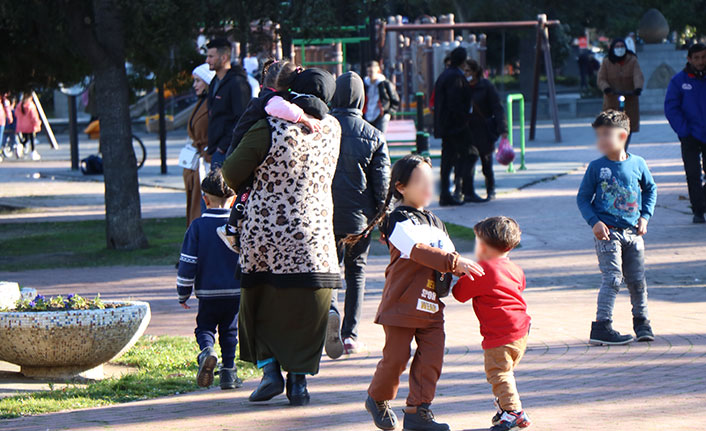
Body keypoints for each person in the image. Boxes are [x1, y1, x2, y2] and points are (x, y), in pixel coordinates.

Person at [221, 68, 341, 407]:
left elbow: (231, 172)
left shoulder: (269, 126)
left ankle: (270, 371)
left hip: (266, 236)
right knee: (305, 308)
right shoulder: (333, 129)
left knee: (259, 303)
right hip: (316, 237)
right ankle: (299, 384)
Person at [353, 154, 484, 431]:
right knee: (397, 358)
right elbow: (417, 251)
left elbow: (450, 256)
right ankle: (377, 398)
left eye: (431, 181)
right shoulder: (396, 220)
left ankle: (417, 411)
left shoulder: (436, 221)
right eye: (420, 182)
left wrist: (463, 271)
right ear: (400, 187)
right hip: (402, 304)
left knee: (432, 359)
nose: (428, 187)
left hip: (432, 306)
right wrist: (453, 262)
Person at [216, 60, 324, 250]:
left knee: (246, 189)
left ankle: (232, 226)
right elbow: (279, 109)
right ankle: (231, 227)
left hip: (238, 142)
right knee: (245, 188)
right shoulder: (270, 99)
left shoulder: (265, 95)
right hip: (240, 146)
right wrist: (304, 118)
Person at [577, 110, 657, 345]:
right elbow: (583, 198)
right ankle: (602, 326)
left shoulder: (638, 164)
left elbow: (651, 189)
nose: (600, 141)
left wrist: (645, 216)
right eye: (598, 135)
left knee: (637, 280)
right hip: (608, 234)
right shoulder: (596, 167)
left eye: (605, 135)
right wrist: (595, 222)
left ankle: (642, 323)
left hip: (634, 232)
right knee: (613, 278)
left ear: (622, 136)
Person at [327, 71, 391, 358]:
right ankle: (350, 334)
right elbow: (383, 187)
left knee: (328, 272)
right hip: (359, 221)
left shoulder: (321, 129)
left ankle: (328, 314)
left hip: (324, 216)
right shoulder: (374, 136)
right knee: (356, 273)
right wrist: (383, 222)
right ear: (362, 98)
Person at [452, 216, 531, 431]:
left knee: (498, 373)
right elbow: (519, 288)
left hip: (500, 333)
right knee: (505, 372)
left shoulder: (482, 270)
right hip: (521, 330)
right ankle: (505, 409)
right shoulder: (515, 269)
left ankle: (514, 411)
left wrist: (460, 274)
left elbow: (459, 294)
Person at [176, 169, 242, 390]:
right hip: (235, 291)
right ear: (233, 200)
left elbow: (188, 262)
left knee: (204, 327)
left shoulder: (197, 227)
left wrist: (183, 293)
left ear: (205, 199)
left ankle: (207, 351)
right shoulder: (239, 226)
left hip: (207, 292)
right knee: (230, 331)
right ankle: (228, 373)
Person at [664, 43, 706, 224]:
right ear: (689, 59)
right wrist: (683, 130)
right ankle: (698, 210)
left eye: (704, 57)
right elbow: (671, 107)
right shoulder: (679, 81)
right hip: (689, 135)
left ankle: (702, 201)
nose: (701, 61)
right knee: (693, 173)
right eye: (696, 58)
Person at [461, 59, 508, 202]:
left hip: (484, 129)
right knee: (468, 161)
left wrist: (503, 129)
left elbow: (497, 108)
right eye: (464, 70)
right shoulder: (463, 86)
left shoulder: (486, 86)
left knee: (486, 161)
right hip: (468, 129)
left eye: (468, 71)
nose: (465, 73)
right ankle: (468, 193)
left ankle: (490, 189)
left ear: (475, 72)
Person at [205, 38, 252, 169]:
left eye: (211, 56)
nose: (207, 60)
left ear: (224, 57)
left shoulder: (237, 83)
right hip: (216, 150)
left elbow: (242, 118)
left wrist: (223, 147)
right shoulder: (215, 82)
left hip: (228, 151)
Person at [433, 47, 472, 206]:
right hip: (455, 126)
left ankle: (447, 191)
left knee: (447, 159)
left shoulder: (445, 75)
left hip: (446, 125)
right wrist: (463, 119)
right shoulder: (455, 77)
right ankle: (457, 190)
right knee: (460, 157)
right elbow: (455, 103)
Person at [597, 39, 644, 150]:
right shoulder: (607, 62)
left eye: (622, 46)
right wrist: (606, 88)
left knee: (628, 125)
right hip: (612, 98)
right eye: (617, 46)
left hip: (630, 98)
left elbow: (637, 75)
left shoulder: (632, 61)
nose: (619, 48)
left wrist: (637, 88)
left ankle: (623, 148)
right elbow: (601, 79)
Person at [183, 64, 215, 227]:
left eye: (198, 81)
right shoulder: (201, 103)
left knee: (203, 208)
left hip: (206, 162)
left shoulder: (210, 104)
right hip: (197, 162)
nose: (195, 85)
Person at [363, 61, 399, 134]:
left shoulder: (384, 83)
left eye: (371, 72)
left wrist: (389, 112)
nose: (369, 74)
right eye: (368, 72)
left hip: (381, 114)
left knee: (380, 136)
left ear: (378, 71)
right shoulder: (365, 84)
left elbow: (395, 99)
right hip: (367, 113)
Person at [14, 93, 42, 161]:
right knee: (32, 139)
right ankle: (33, 152)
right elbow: (34, 116)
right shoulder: (30, 105)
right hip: (30, 125)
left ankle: (20, 146)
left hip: (22, 126)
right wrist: (37, 123)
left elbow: (16, 114)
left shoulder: (19, 105)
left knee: (25, 139)